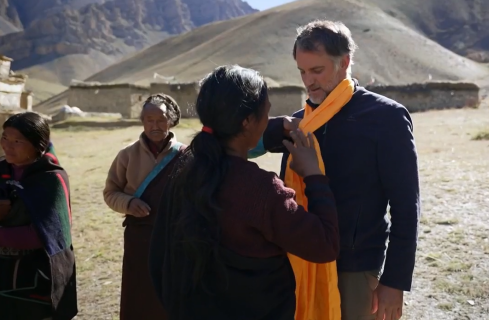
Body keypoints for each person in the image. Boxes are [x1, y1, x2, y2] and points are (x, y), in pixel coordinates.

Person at [251, 20, 421, 320]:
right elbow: (239, 141)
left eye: (317, 71)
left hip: (354, 270)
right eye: (302, 72)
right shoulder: (298, 123)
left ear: (345, 62)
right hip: (296, 261)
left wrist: (394, 282)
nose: (308, 82)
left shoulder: (385, 117)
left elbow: (406, 208)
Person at [149, 64, 340, 320]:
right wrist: (314, 176)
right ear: (247, 121)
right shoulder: (260, 192)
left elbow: (159, 261)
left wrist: (276, 128)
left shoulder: (183, 173)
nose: (269, 119)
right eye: (266, 113)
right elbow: (324, 244)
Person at [103, 93, 186, 320]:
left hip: (174, 239)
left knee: (170, 294)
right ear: (142, 121)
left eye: (161, 119)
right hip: (139, 238)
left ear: (171, 120)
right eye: (149, 119)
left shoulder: (186, 156)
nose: (155, 125)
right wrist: (129, 203)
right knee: (138, 293)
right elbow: (110, 193)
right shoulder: (127, 155)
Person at [0, 112, 77, 320]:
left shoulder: (51, 179)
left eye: (17, 141)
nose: (8, 146)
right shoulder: (1, 170)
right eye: (5, 138)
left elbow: (42, 235)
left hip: (37, 276)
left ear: (37, 145)